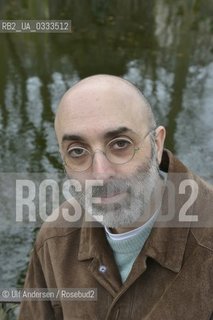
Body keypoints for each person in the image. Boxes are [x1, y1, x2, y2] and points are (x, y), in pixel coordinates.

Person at [19, 75, 213, 320]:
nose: (100, 174)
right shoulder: (54, 239)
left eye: (120, 144)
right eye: (77, 151)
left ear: (157, 144)